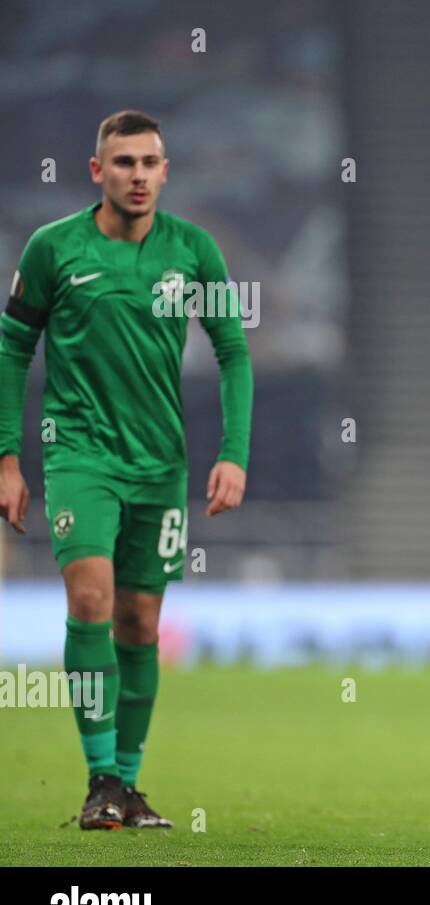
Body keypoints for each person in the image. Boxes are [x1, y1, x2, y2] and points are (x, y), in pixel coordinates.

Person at [0, 110, 254, 830]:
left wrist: (233, 453)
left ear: (165, 172)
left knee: (140, 621)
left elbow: (233, 351)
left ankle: (128, 788)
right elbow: (13, 350)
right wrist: (7, 456)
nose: (137, 175)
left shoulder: (194, 251)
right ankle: (100, 778)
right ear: (97, 172)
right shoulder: (54, 250)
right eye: (123, 163)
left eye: (149, 163)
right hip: (80, 454)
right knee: (91, 602)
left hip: (160, 464)